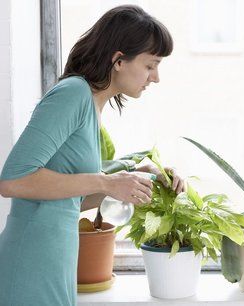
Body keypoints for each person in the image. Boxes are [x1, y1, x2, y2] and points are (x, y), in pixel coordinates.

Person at [0, 5, 184, 305]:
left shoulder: (91, 105)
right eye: (151, 65)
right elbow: (12, 180)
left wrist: (138, 181)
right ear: (119, 60)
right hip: (32, 260)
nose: (156, 78)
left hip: (54, 258)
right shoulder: (72, 93)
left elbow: (71, 197)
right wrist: (107, 182)